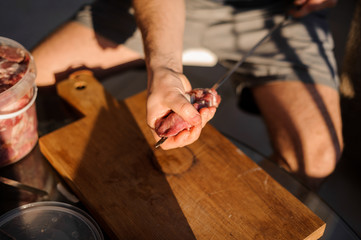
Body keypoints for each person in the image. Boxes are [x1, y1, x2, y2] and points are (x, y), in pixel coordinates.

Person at [32, 0, 342, 190]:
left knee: (317, 158)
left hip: (277, 13)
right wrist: (165, 67)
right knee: (27, 83)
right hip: (164, 7)